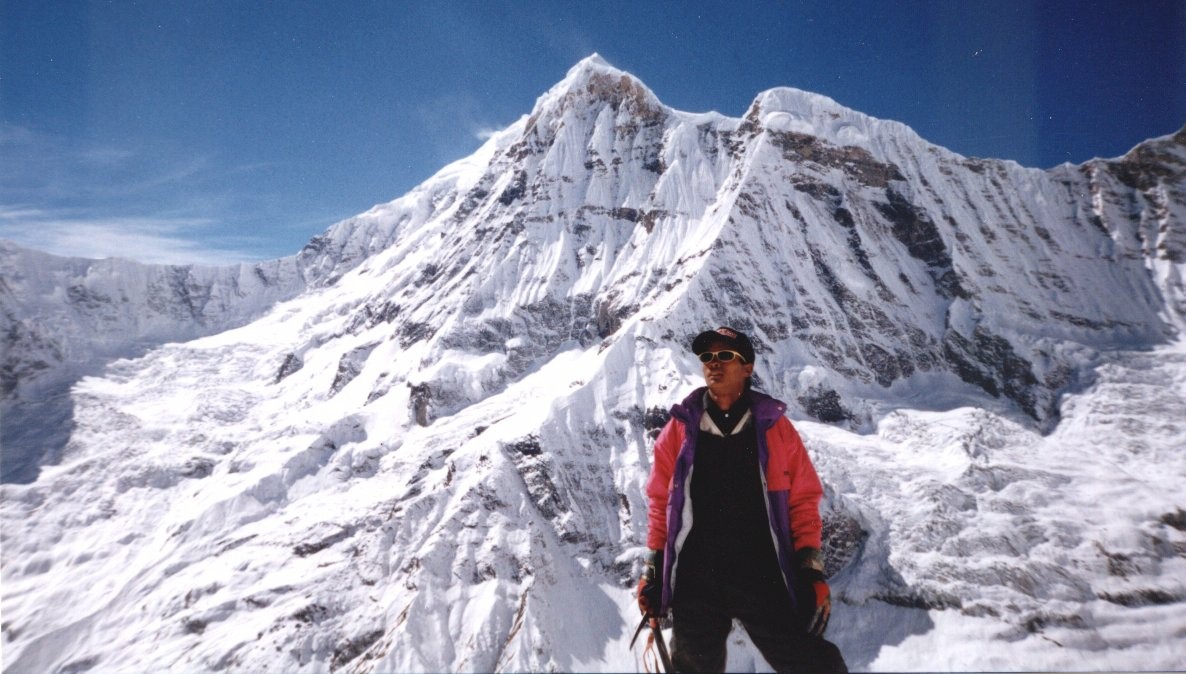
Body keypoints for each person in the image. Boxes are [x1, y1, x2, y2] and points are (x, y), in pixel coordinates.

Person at [637, 327, 847, 673]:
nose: (713, 364)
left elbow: (804, 501)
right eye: (707, 357)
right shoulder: (680, 429)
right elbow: (661, 502)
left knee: (812, 663)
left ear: (747, 368)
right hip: (696, 575)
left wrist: (812, 570)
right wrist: (653, 570)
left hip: (760, 572)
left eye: (725, 356)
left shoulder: (775, 429)